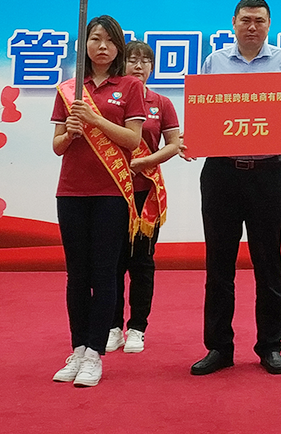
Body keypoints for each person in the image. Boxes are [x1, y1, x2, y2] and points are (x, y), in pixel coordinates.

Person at [186, 0, 281, 376]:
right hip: (221, 173)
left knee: (268, 262)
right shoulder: (214, 62)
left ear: (269, 25)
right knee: (219, 264)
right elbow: (203, 109)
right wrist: (195, 138)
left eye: (259, 21)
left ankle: (270, 346)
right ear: (233, 23)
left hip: (267, 173)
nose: (252, 27)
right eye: (246, 20)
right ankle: (219, 347)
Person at [50, 15, 145, 387]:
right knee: (77, 274)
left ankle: (94, 354)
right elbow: (57, 146)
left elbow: (133, 140)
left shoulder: (130, 86)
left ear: (118, 47)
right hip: (71, 190)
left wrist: (94, 119)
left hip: (111, 193)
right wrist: (71, 133)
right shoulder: (69, 89)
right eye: (94, 39)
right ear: (84, 45)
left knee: (105, 273)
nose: (101, 46)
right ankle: (77, 349)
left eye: (109, 40)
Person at [105, 41, 181, 355]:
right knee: (111, 262)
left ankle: (137, 327)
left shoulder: (161, 103)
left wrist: (148, 161)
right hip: (110, 191)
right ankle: (112, 326)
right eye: (133, 60)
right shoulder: (108, 100)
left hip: (145, 193)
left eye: (145, 61)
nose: (139, 66)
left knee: (142, 262)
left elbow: (174, 144)